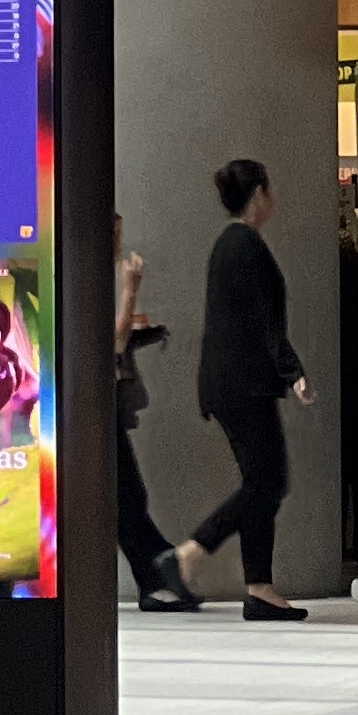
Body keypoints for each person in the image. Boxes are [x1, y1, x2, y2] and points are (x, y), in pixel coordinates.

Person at [176, 155, 310, 621]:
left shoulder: (232, 243)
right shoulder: (244, 245)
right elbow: (263, 319)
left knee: (264, 481)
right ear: (259, 193)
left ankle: (260, 586)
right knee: (269, 480)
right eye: (270, 190)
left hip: (233, 382)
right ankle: (193, 551)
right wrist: (292, 372)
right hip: (242, 384)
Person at [115, 217, 200, 612]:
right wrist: (131, 290)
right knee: (127, 496)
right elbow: (113, 341)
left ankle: (157, 576)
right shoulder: (92, 273)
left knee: (127, 497)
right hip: (96, 406)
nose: (120, 240)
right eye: (114, 232)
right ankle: (160, 572)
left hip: (109, 402)